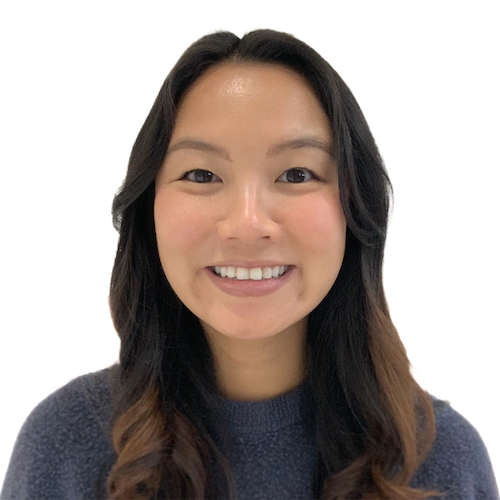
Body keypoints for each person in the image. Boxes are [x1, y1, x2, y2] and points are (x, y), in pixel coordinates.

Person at [1, 29, 498, 500]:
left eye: (296, 173)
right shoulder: (66, 448)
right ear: (147, 209)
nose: (246, 223)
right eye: (201, 174)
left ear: (356, 209)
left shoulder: (439, 465)